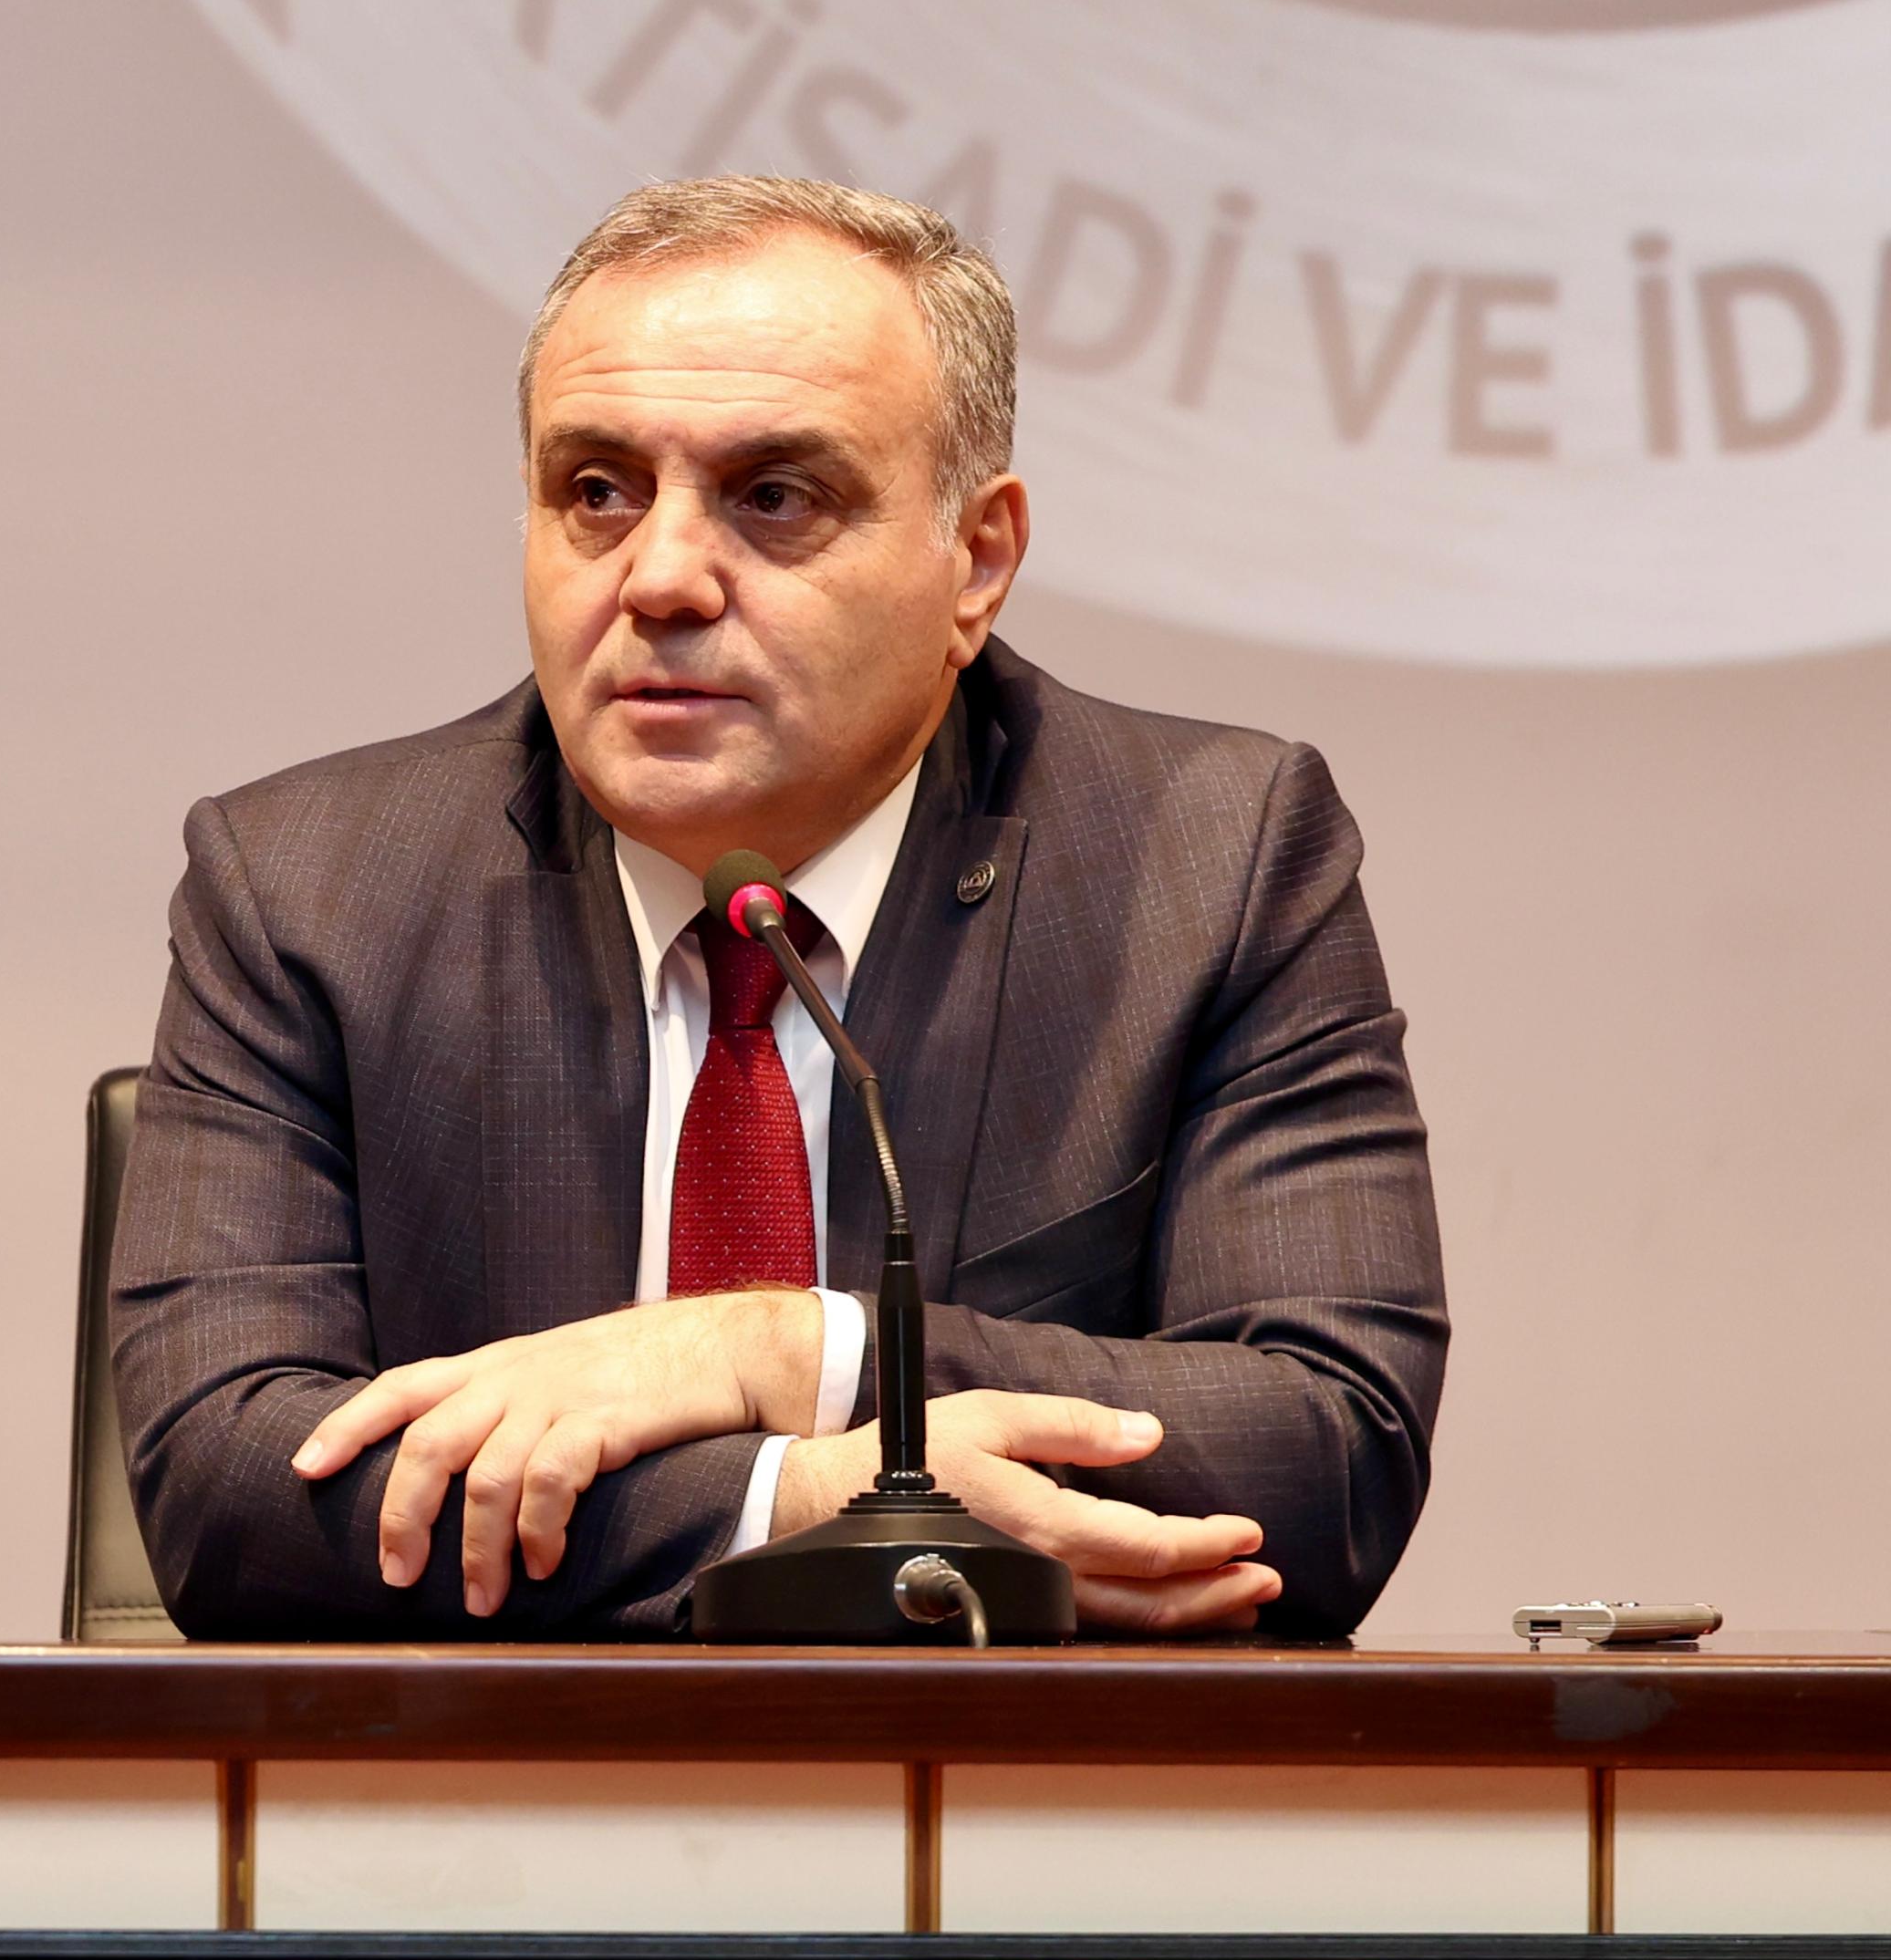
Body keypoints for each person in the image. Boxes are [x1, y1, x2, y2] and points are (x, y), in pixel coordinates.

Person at [109, 177, 1444, 1639]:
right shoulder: (311, 890)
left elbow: (1331, 1446)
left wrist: (791, 1351)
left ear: (977, 561)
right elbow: (227, 1490)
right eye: (597, 490)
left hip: (1008, 1783)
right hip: (497, 1785)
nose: (662, 578)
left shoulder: (1206, 862)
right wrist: (800, 1500)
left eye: (775, 496)